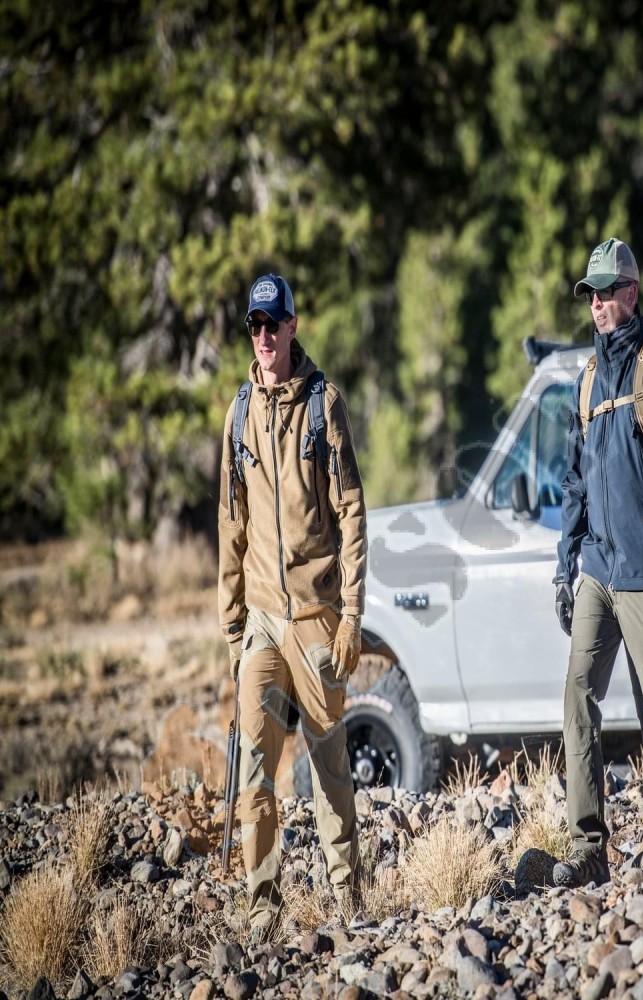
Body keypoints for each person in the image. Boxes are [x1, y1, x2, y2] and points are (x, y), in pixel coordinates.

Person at [218, 273, 368, 942]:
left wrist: (352, 616)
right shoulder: (238, 412)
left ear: (293, 325)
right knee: (254, 767)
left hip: (316, 618)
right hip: (259, 620)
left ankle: (349, 898)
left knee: (330, 766)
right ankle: (262, 907)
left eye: (273, 324)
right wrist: (232, 628)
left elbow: (352, 512)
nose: (264, 336)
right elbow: (231, 524)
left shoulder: (323, 405)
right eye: (254, 325)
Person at [553, 238, 643, 887]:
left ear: (632, 294)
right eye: (590, 293)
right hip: (597, 572)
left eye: (608, 291)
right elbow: (574, 483)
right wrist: (565, 566)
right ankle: (588, 848)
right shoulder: (585, 382)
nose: (597, 303)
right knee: (577, 697)